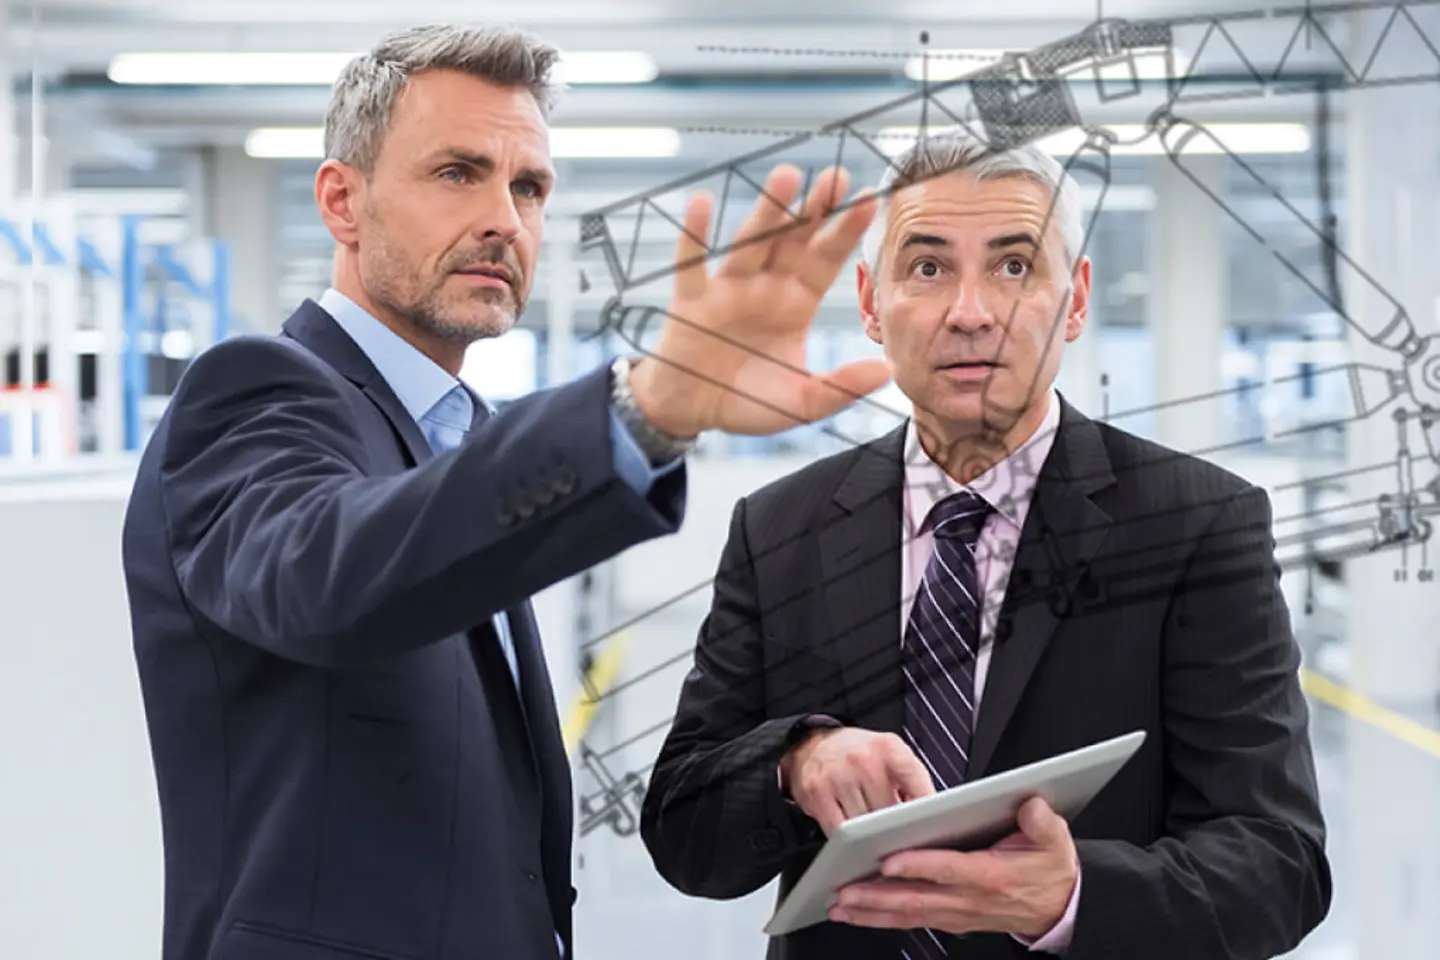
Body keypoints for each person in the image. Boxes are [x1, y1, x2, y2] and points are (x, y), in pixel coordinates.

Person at [120, 23, 888, 960]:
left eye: (527, 187)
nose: (505, 219)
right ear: (341, 201)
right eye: (457, 173)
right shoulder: (259, 392)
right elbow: (333, 574)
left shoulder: (458, 435)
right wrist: (647, 407)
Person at [638, 127, 1333, 959]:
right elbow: (682, 834)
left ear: (1074, 300)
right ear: (869, 302)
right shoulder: (780, 528)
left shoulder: (1197, 524)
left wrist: (1073, 897)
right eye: (927, 268)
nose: (970, 314)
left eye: (1013, 266)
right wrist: (794, 763)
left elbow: (1279, 863)